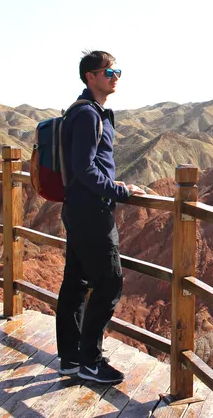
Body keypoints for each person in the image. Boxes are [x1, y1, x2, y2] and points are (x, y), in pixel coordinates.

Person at [56, 50, 145, 384]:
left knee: (76, 284)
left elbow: (89, 166)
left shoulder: (86, 112)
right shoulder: (89, 115)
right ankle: (91, 361)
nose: (115, 76)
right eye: (109, 72)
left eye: (117, 71)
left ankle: (70, 359)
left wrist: (113, 182)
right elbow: (84, 168)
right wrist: (119, 192)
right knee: (109, 283)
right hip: (92, 211)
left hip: (78, 208)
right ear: (90, 76)